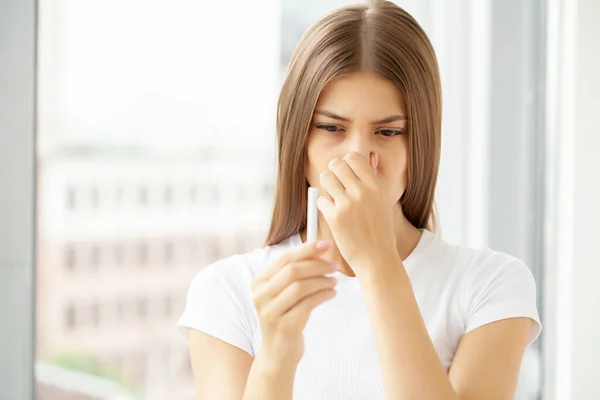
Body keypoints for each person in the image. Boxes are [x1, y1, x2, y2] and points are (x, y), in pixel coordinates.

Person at [176, 1, 542, 399]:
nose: (357, 158)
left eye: (388, 133)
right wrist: (277, 354)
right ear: (298, 140)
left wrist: (377, 263)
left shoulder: (489, 285)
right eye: (332, 127)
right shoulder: (229, 291)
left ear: (420, 144)